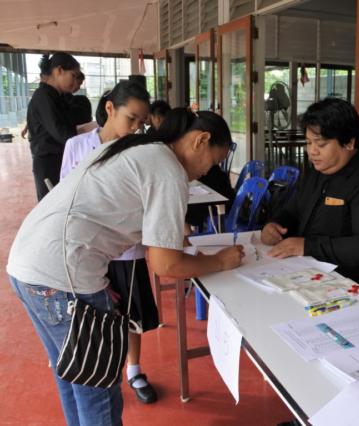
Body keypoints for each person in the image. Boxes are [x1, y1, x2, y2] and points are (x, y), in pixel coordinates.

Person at [7, 108, 244, 426]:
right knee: (98, 392)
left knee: (73, 375)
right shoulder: (168, 170)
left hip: (26, 265)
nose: (205, 172)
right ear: (201, 140)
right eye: (212, 163)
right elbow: (165, 264)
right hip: (65, 276)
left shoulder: (132, 146)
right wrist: (220, 261)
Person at [60, 81, 158, 404]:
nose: (135, 127)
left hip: (126, 249)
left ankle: (134, 369)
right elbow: (65, 196)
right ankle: (102, 371)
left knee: (130, 313)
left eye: (141, 122)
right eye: (131, 118)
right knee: (93, 313)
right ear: (110, 109)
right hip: (88, 251)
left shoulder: (139, 152)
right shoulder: (76, 146)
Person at [260, 98, 359, 303]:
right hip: (309, 272)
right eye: (308, 143)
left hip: (357, 287)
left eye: (321, 144)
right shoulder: (314, 174)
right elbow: (292, 211)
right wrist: (274, 225)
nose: (312, 151)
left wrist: (308, 246)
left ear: (349, 142)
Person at [26, 53, 93, 201]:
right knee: (51, 206)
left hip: (60, 157)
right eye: (73, 76)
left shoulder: (58, 96)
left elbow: (70, 124)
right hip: (48, 161)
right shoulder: (43, 96)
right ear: (59, 71)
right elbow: (62, 133)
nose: (75, 82)